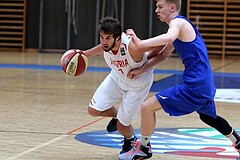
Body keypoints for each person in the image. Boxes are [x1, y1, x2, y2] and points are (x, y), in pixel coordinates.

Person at [118, 0, 240, 159]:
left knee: (147, 107)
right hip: (205, 83)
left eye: (160, 7)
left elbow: (168, 38)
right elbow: (163, 55)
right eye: (156, 7)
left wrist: (140, 43)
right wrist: (141, 69)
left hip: (195, 84)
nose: (156, 10)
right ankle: (238, 143)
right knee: (208, 117)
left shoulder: (178, 23)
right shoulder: (179, 28)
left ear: (172, 7)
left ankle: (143, 148)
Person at [83, 17, 163, 155]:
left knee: (122, 126)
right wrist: (85, 54)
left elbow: (161, 44)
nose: (103, 42)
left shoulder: (132, 47)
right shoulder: (106, 44)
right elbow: (102, 48)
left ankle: (130, 139)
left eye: (108, 38)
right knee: (93, 110)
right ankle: (116, 117)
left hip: (137, 85)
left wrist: (174, 35)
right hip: (117, 77)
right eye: (102, 37)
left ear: (118, 38)